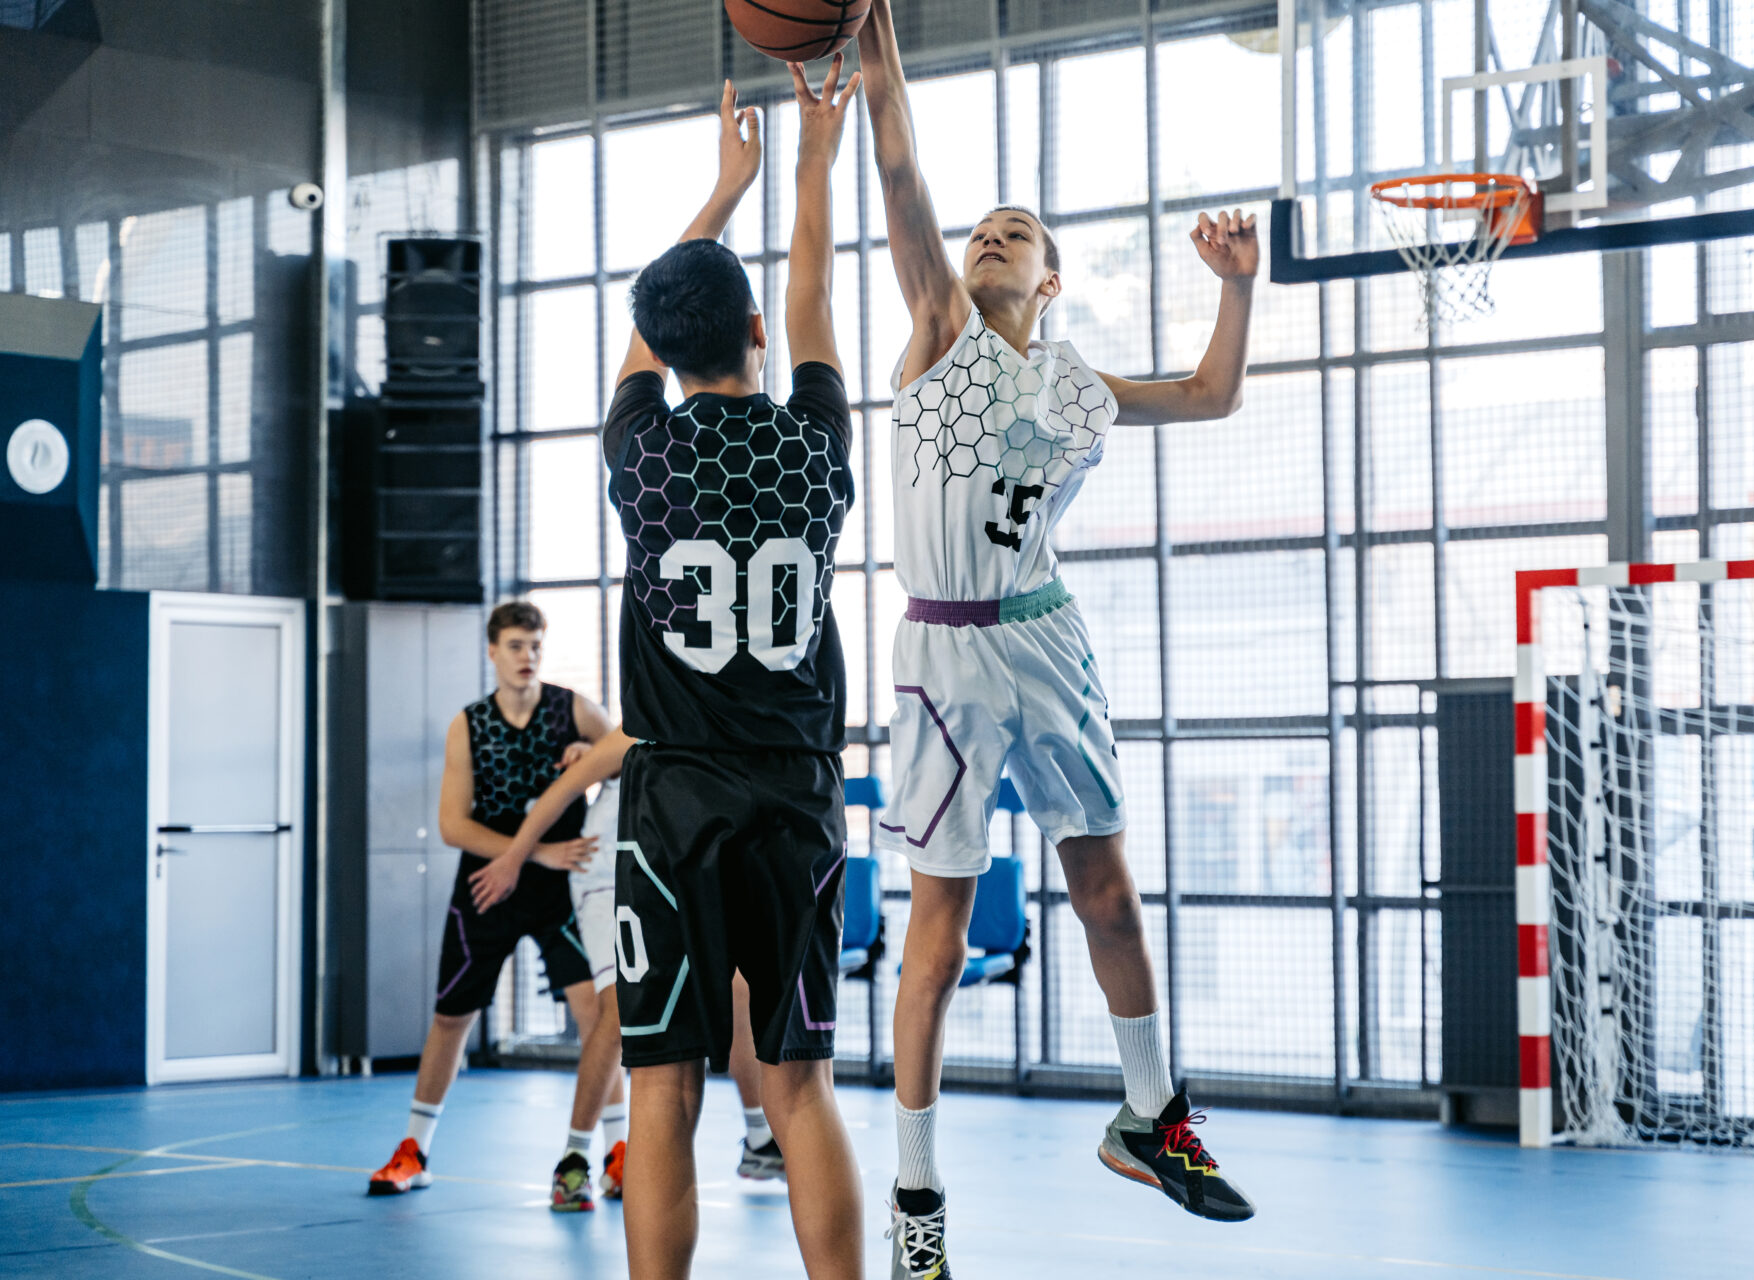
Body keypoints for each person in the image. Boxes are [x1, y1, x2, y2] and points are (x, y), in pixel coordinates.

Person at [856, 2, 1262, 1272]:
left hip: (1045, 634)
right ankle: (916, 1197)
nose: (989, 237)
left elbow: (1210, 393)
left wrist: (1239, 290)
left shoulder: (1078, 381)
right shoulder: (937, 327)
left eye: (1015, 234)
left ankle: (1150, 1113)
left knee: (1108, 891)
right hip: (941, 656)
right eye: (983, 229)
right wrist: (874, 38)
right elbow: (901, 166)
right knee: (937, 929)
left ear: (1052, 276)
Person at [603, 64, 863, 1280]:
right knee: (801, 1084)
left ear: (659, 345)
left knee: (663, 1090)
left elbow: (652, 338)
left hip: (674, 802)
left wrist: (720, 190)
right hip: (798, 796)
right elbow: (808, 289)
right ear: (755, 335)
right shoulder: (816, 447)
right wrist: (811, 157)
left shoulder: (639, 454)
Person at [479, 730, 790, 1210]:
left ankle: (759, 1141)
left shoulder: (718, 724)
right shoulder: (633, 731)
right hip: (608, 874)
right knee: (621, 1009)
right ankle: (574, 1160)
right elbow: (561, 791)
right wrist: (518, 857)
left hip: (677, 874)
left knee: (739, 989)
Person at [367, 600, 618, 1196]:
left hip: (564, 890)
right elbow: (453, 825)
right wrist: (531, 853)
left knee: (598, 1019)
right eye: (514, 646)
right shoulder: (469, 724)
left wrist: (593, 761)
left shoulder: (574, 709)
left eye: (535, 646)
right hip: (488, 887)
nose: (527, 657)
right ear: (491, 651)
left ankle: (616, 1153)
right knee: (452, 1017)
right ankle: (414, 1150)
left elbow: (636, 761)